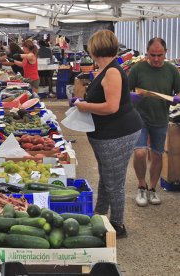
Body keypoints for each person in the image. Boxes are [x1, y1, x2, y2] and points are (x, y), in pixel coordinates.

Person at [71, 29, 142, 237]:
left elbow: (111, 106)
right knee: (107, 176)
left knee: (114, 181)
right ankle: (99, 215)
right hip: (107, 133)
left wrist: (85, 107)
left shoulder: (111, 71)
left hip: (117, 134)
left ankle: (118, 225)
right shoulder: (105, 69)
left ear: (95, 48)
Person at [128, 37, 180, 206]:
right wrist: (131, 97)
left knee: (157, 155)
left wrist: (176, 98)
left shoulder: (172, 71)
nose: (156, 59)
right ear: (147, 53)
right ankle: (141, 187)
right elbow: (125, 92)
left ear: (166, 53)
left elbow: (179, 92)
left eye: (160, 55)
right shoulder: (137, 69)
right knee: (140, 152)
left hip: (160, 119)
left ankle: (152, 189)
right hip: (139, 119)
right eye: (152, 55)